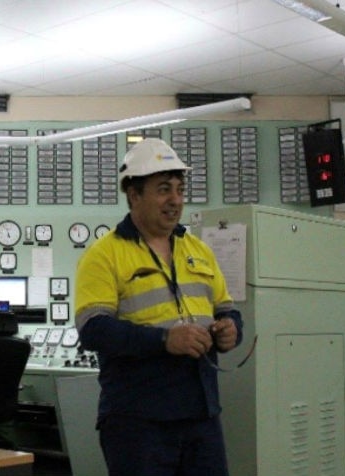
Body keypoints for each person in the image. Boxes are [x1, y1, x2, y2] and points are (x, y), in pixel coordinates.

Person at [75, 138, 243, 476]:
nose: (175, 200)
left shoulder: (198, 249)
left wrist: (230, 330)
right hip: (139, 421)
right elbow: (93, 329)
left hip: (201, 415)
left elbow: (226, 309)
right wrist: (165, 341)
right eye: (164, 189)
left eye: (180, 190)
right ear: (134, 194)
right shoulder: (104, 254)